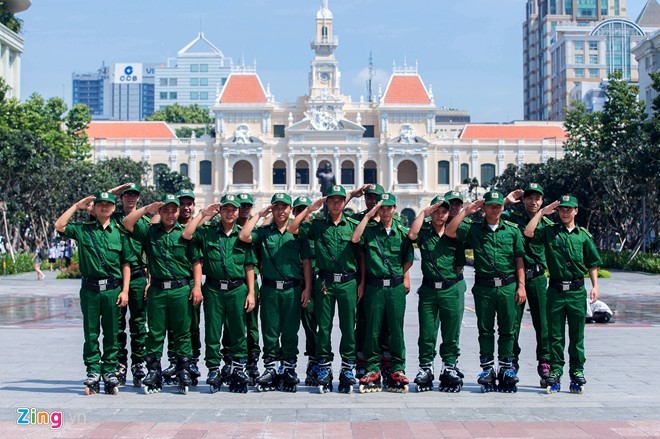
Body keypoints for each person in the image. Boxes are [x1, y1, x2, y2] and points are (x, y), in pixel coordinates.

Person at [446, 190, 526, 393]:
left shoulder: (512, 230)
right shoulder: (474, 229)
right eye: (490, 205)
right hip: (484, 287)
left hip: (508, 286)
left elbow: (519, 259)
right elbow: (450, 232)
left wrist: (521, 285)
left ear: (502, 207)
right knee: (485, 329)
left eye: (498, 205)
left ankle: (507, 368)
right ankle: (488, 368)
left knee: (508, 329)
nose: (495, 209)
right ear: (484, 207)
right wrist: (466, 211)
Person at [122, 194, 203, 395]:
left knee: (182, 332)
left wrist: (197, 287)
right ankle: (153, 371)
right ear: (160, 212)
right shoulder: (149, 232)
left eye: (173, 210)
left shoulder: (185, 233)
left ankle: (183, 369)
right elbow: (126, 222)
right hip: (157, 290)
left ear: (177, 212)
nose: (170, 214)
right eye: (165, 210)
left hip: (180, 289)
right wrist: (146, 209)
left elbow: (196, 262)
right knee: (155, 333)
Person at [54, 192, 131, 395]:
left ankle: (109, 372)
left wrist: (125, 290)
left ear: (114, 208)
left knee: (112, 333)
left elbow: (126, 264)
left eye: (108, 205)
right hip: (89, 289)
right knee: (91, 333)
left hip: (112, 290)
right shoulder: (83, 230)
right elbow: (59, 226)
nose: (104, 208)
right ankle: (93, 372)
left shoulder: (120, 232)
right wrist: (76, 205)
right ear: (95, 208)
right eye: (100, 205)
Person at [524, 195, 602, 394]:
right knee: (555, 335)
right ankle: (556, 372)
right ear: (557, 212)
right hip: (556, 291)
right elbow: (529, 232)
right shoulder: (549, 232)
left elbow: (592, 263)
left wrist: (595, 286)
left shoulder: (583, 236)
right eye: (562, 210)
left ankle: (577, 371)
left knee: (577, 336)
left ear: (576, 211)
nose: (565, 213)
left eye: (569, 209)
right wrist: (541, 212)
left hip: (576, 292)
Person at [289, 186, 361, 394]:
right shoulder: (318, 226)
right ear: (327, 202)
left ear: (344, 202)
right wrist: (310, 209)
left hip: (348, 282)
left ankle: (347, 367)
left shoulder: (352, 225)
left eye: (340, 200)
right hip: (325, 283)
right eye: (333, 200)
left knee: (348, 326)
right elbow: (293, 228)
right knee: (324, 327)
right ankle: (324, 366)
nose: (337, 204)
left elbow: (362, 256)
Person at [182, 194, 256, 394]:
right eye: (226, 209)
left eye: (233, 209)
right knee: (213, 331)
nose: (230, 213)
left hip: (238, 288)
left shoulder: (243, 235)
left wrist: (251, 292)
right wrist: (202, 215)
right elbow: (187, 235)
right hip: (214, 288)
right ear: (220, 211)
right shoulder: (207, 233)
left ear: (238, 211)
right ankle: (214, 369)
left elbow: (249, 266)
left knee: (238, 330)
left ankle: (238, 367)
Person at [238, 193, 312, 392]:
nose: (281, 211)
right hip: (270, 289)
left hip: (292, 289)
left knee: (290, 330)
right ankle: (270, 368)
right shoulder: (263, 233)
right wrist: (260, 214)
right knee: (269, 331)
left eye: (284, 207)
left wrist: (308, 288)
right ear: (272, 209)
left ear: (290, 209)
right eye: (277, 207)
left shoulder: (297, 233)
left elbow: (306, 262)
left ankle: (288, 368)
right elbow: (244, 236)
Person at [351, 193, 414, 393]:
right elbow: (354, 238)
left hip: (394, 287)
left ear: (395, 208)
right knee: (373, 329)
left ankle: (397, 367)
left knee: (396, 329)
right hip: (375, 287)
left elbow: (408, 258)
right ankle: (372, 368)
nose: (385, 212)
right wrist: (368, 216)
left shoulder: (402, 233)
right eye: (382, 208)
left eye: (388, 208)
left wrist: (402, 277)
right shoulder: (370, 231)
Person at [408, 196, 466, 392]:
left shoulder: (455, 234)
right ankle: (426, 367)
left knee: (451, 331)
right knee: (427, 331)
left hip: (449, 289)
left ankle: (449, 366)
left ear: (449, 213)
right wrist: (423, 212)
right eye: (437, 211)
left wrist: (447, 279)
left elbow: (459, 264)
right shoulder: (425, 232)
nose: (440, 215)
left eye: (444, 211)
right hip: (429, 290)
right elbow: (412, 235)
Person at [502, 183, 553, 387]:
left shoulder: (548, 224)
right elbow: (490, 216)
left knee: (543, 323)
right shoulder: (514, 220)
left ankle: (545, 362)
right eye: (529, 198)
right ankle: (511, 363)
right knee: (513, 323)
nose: (533, 202)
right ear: (523, 201)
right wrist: (505, 201)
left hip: (538, 279)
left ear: (542, 201)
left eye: (537, 199)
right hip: (517, 278)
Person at [158, 189, 203, 387]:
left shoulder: (200, 227)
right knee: (171, 325)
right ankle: (174, 360)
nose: (185, 207)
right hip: (170, 284)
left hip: (191, 282)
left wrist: (197, 286)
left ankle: (191, 360)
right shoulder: (165, 225)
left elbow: (197, 260)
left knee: (191, 325)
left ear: (194, 206)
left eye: (189, 203)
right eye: (182, 203)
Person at [110, 183, 149, 387]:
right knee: (117, 325)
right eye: (126, 195)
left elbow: (151, 252)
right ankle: (119, 363)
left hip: (137, 276)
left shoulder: (144, 222)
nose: (131, 198)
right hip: (115, 278)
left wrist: (150, 280)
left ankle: (138, 364)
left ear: (138, 199)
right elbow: (94, 203)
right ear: (121, 197)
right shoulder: (111, 218)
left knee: (138, 324)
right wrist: (115, 191)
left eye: (134, 195)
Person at [290, 195, 319, 387]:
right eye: (298, 210)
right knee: (288, 327)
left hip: (313, 284)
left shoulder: (314, 231)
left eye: (305, 209)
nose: (302, 213)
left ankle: (314, 361)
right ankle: (286, 365)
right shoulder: (289, 231)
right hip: (291, 284)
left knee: (311, 326)